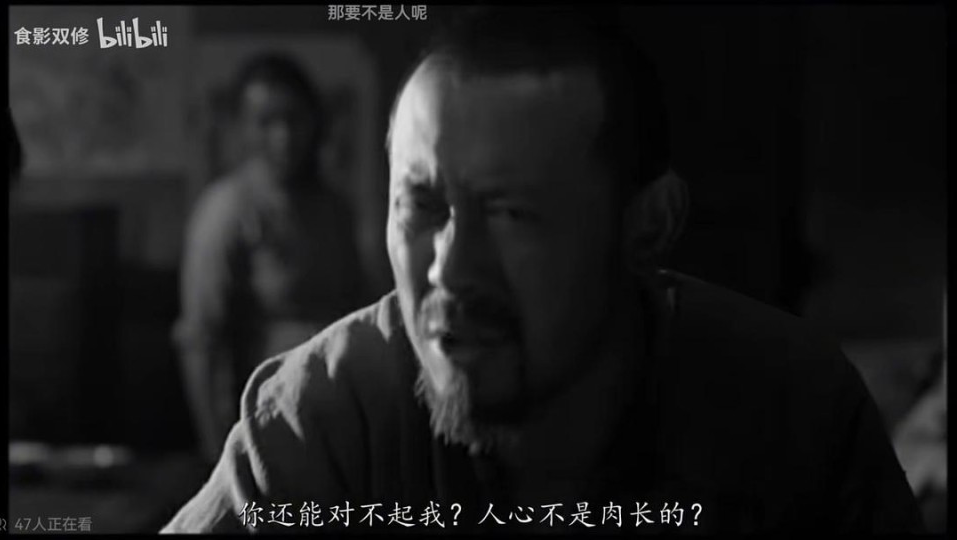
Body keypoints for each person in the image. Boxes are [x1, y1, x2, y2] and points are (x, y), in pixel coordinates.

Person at [162, 7, 923, 533]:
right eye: (422, 207)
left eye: (512, 214)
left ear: (648, 224)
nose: (450, 270)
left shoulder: (791, 408)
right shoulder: (325, 416)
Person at [174, 52, 366, 463]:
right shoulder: (227, 210)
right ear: (242, 128)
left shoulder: (334, 208)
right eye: (266, 122)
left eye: (294, 119)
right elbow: (201, 342)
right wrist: (219, 455)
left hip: (340, 425)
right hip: (266, 429)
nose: (283, 136)